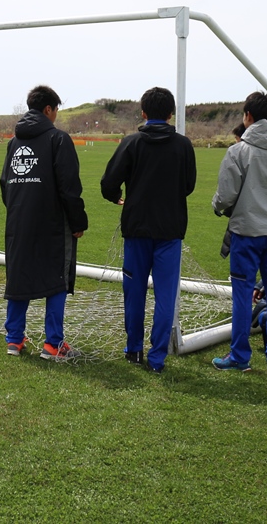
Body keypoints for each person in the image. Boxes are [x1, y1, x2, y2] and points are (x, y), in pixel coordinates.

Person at [100, 86, 196, 373]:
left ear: (143, 113)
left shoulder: (132, 143)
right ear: (171, 114)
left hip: (138, 230)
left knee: (134, 292)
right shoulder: (183, 145)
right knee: (166, 295)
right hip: (170, 232)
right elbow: (188, 186)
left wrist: (117, 196)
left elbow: (108, 183)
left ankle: (133, 349)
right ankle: (157, 358)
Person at [211, 92, 267, 371]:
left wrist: (217, 207)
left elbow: (225, 196)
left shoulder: (238, 151)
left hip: (246, 234)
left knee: (242, 295)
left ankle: (240, 356)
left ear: (248, 117)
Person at [0, 85, 88, 361]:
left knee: (19, 274)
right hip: (52, 224)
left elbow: (5, 184)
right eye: (57, 110)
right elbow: (69, 187)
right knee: (57, 279)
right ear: (48, 109)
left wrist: (20, 209)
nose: (57, 116)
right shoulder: (58, 139)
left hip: (18, 221)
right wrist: (78, 221)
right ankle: (53, 344)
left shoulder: (14, 143)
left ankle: (14, 339)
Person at [219, 123, 245, 259]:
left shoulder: (235, 153)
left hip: (244, 224)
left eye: (237, 139)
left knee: (242, 275)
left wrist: (217, 205)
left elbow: (227, 192)